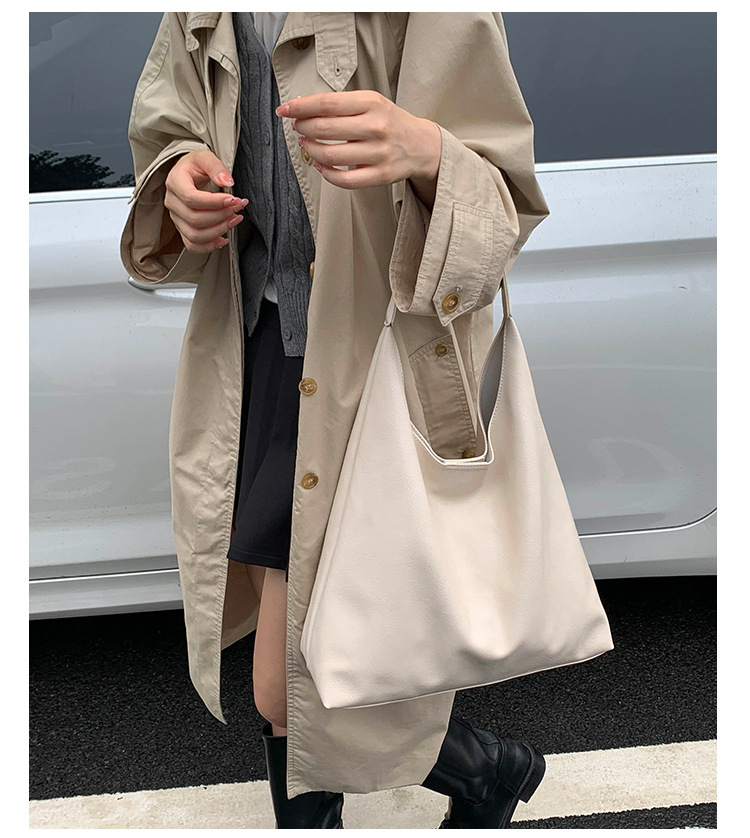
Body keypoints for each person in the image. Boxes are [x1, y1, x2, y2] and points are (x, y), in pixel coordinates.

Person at [121, 11, 550, 829]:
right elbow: (167, 125)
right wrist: (178, 176)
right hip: (253, 349)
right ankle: (488, 769)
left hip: (368, 353)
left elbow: (503, 203)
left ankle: (489, 769)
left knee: (287, 686)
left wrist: (426, 150)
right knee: (317, 652)